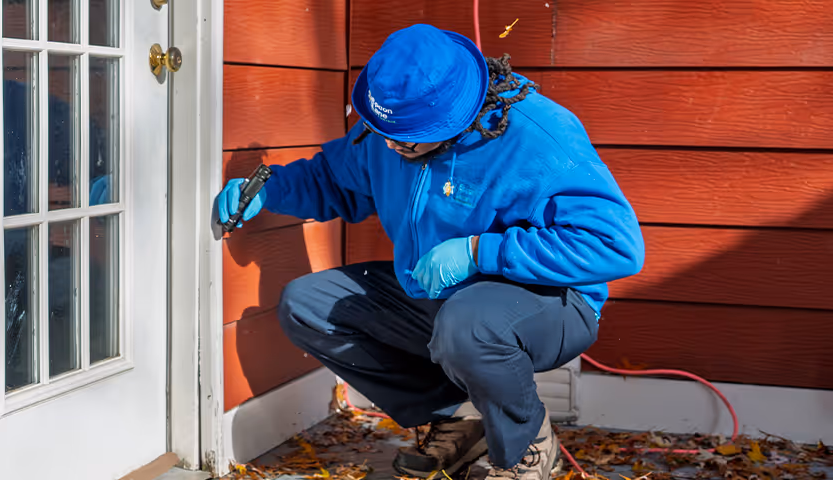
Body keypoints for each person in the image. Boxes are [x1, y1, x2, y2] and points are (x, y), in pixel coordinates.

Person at [214, 24, 645, 480]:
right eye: (383, 130)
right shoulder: (392, 130)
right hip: (441, 295)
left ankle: (526, 447)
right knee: (308, 304)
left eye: (406, 138)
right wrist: (271, 188)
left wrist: (480, 251)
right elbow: (335, 179)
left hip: (550, 304)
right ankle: (460, 419)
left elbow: (613, 245)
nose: (389, 146)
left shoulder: (538, 138)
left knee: (469, 325)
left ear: (453, 118)